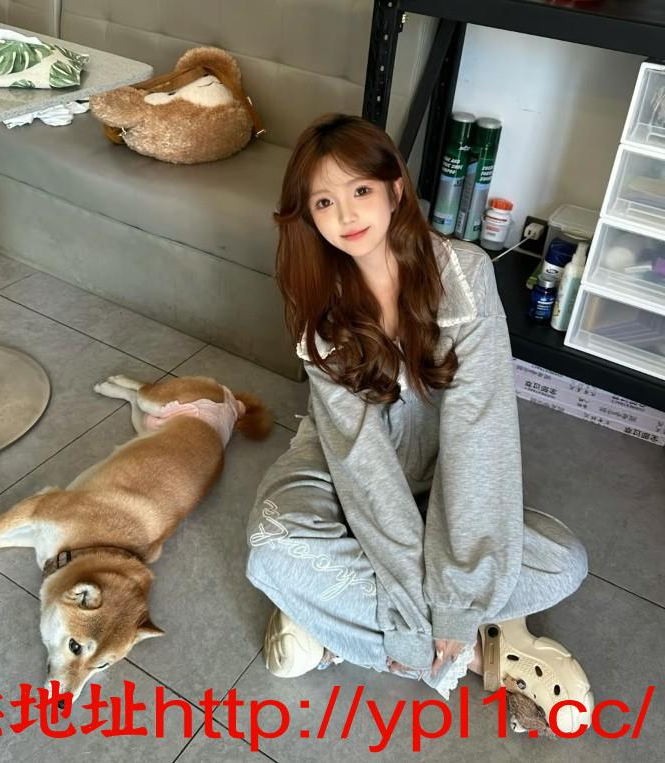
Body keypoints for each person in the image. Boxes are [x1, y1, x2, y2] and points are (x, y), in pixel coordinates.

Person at [245, 113, 593, 734]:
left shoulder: (464, 275)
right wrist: (423, 612)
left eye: (360, 190)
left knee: (564, 564)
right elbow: (362, 465)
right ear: (309, 217)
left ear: (395, 189)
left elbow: (479, 437)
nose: (347, 214)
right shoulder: (321, 312)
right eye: (324, 202)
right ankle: (468, 643)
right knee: (272, 545)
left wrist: (451, 601)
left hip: (446, 476)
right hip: (339, 471)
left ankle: (335, 623)